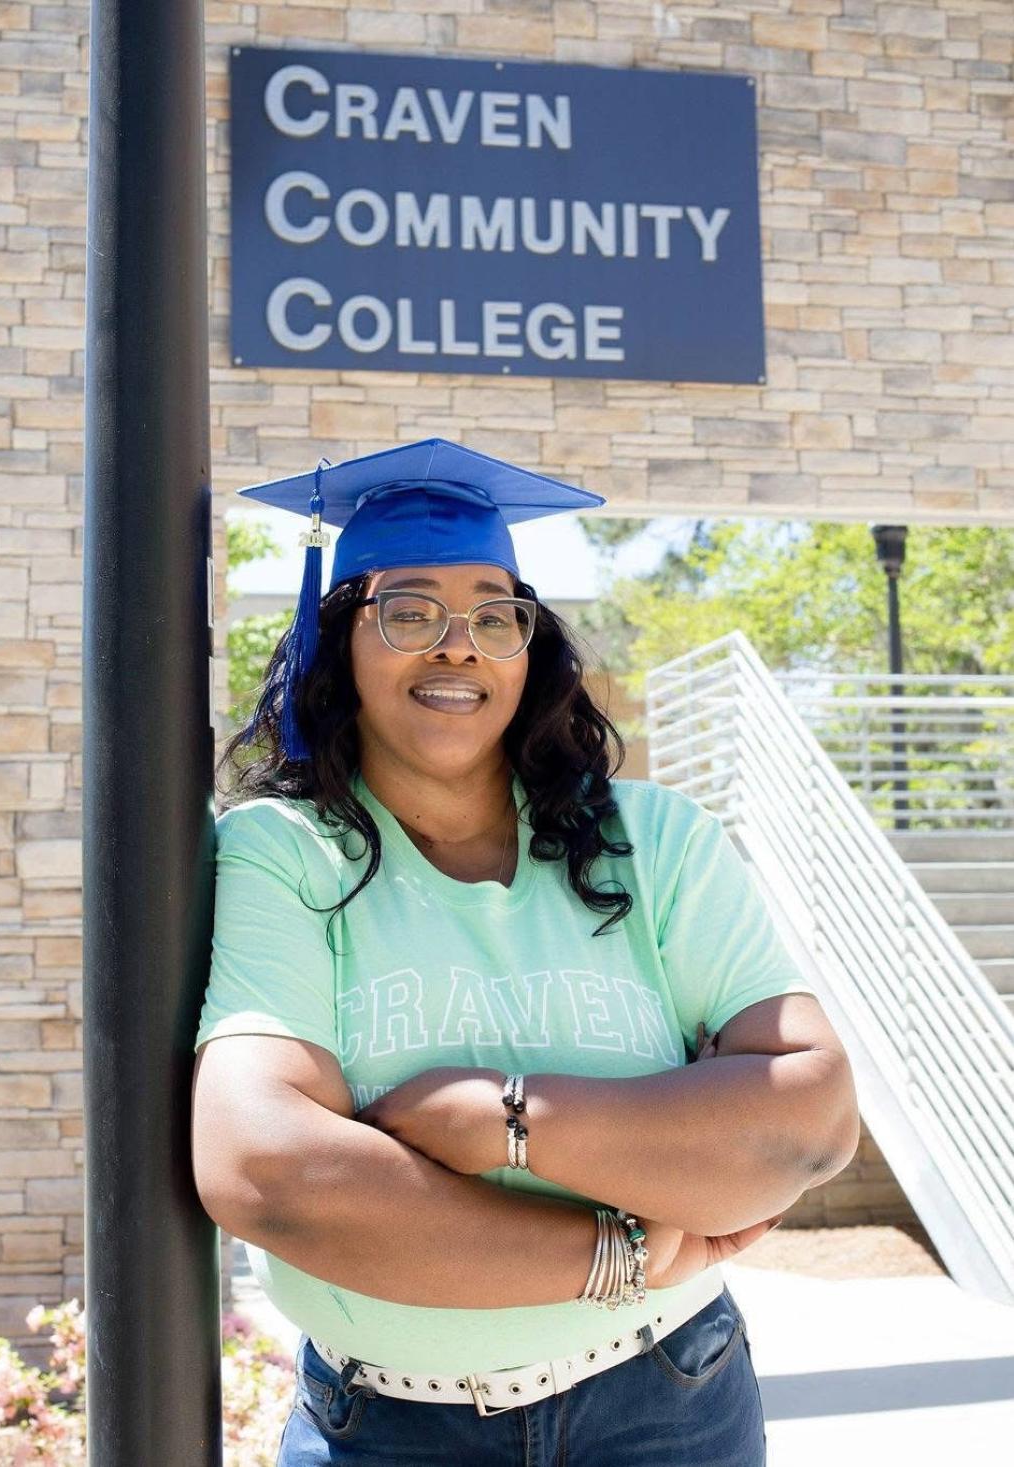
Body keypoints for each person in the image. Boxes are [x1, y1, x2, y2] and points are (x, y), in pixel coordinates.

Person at [190, 438, 859, 1467]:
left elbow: (807, 1120)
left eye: (494, 617)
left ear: (528, 650)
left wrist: (500, 1119)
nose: (456, 646)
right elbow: (268, 1169)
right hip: (387, 1433)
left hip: (668, 1404)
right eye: (408, 612)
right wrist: (616, 1254)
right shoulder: (281, 853)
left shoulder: (653, 841)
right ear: (338, 641)